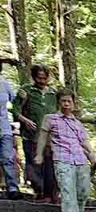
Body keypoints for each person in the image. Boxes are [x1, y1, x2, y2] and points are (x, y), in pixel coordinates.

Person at [35, 90, 96, 212]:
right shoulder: (50, 119)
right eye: (63, 101)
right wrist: (39, 154)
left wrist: (91, 153)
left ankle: (78, 211)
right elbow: (42, 137)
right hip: (61, 158)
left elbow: (84, 140)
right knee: (67, 188)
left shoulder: (77, 123)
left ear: (73, 103)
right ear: (59, 102)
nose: (66, 104)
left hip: (80, 158)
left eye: (69, 101)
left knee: (83, 190)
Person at [15, 64, 60, 201]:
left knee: (49, 166)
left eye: (45, 78)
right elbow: (14, 109)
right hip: (31, 135)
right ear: (34, 77)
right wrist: (25, 120)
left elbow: (59, 112)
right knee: (33, 164)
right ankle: (39, 191)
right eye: (39, 78)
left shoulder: (53, 93)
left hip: (49, 137)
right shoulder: (26, 90)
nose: (42, 81)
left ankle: (49, 194)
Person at [0, 65, 19, 199]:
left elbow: (15, 102)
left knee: (7, 157)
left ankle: (12, 188)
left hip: (4, 126)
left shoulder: (5, 84)